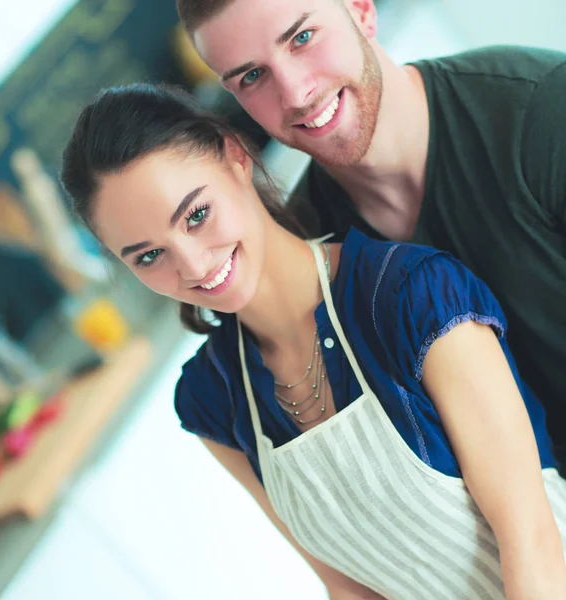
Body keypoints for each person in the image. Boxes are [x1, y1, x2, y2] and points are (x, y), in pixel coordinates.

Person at [60, 82, 566, 600]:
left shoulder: (410, 296)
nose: (193, 265)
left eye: (196, 215)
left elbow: (533, 542)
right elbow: (348, 589)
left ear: (236, 157)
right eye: (148, 256)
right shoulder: (212, 400)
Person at [175, 0, 566, 470]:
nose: (297, 94)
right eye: (252, 77)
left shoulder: (542, 111)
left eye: (302, 38)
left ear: (360, 9)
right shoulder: (309, 249)